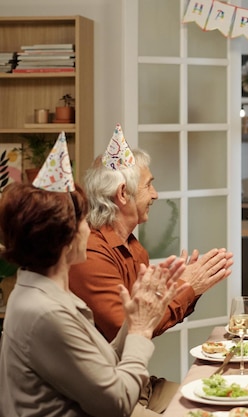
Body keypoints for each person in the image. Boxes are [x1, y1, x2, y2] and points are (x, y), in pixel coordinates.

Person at [0, 134, 187, 416]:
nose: (89, 228)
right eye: (82, 221)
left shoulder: (45, 293)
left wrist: (136, 318)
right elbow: (116, 403)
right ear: (64, 239)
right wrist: (139, 330)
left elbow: (104, 361)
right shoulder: (46, 312)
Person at [68, 125, 234, 412]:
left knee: (226, 400)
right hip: (109, 395)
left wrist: (183, 289)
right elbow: (130, 328)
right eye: (148, 185)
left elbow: (150, 321)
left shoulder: (134, 247)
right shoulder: (92, 253)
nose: (155, 194)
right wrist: (186, 288)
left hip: (139, 383)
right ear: (123, 194)